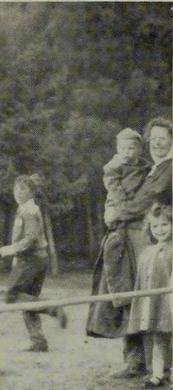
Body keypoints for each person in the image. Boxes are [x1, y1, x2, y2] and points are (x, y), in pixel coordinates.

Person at [87, 117, 173, 379]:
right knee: (128, 293)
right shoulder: (149, 167)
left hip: (156, 241)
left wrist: (116, 213)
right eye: (153, 138)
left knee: (154, 300)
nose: (157, 143)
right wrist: (110, 209)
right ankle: (137, 361)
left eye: (163, 138)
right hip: (133, 237)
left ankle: (156, 365)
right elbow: (120, 189)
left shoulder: (168, 168)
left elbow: (147, 199)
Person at [0, 175, 67, 352]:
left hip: (31, 260)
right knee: (28, 301)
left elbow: (31, 237)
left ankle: (53, 308)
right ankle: (38, 341)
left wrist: (12, 250)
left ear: (31, 192)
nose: (18, 193)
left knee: (12, 296)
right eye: (16, 189)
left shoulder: (28, 210)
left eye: (23, 189)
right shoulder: (27, 209)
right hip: (36, 259)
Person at [126, 203, 172, 388]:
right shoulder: (148, 252)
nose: (159, 230)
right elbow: (143, 281)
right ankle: (157, 373)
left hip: (170, 302)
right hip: (155, 303)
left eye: (164, 224)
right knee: (158, 338)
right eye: (155, 226)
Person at [103, 128, 151, 229]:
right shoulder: (115, 166)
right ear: (117, 149)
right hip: (119, 199)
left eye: (130, 148)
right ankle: (116, 235)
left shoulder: (145, 166)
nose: (126, 152)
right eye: (122, 149)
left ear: (139, 149)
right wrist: (122, 201)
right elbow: (113, 186)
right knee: (114, 217)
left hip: (136, 200)